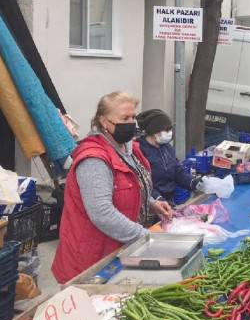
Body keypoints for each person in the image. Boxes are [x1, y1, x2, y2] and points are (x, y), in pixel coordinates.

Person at [51, 91, 174, 284]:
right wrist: (145, 236)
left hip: (118, 247)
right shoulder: (94, 159)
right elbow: (102, 213)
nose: (131, 122)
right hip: (91, 260)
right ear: (104, 121)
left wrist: (151, 203)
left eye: (133, 117)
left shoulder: (128, 147)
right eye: (124, 118)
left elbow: (131, 185)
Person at [136, 109, 204, 203]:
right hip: (150, 203)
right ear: (155, 131)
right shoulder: (139, 150)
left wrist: (192, 182)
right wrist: (157, 199)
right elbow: (141, 182)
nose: (170, 133)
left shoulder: (167, 148)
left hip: (168, 200)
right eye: (167, 130)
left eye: (170, 129)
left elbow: (177, 170)